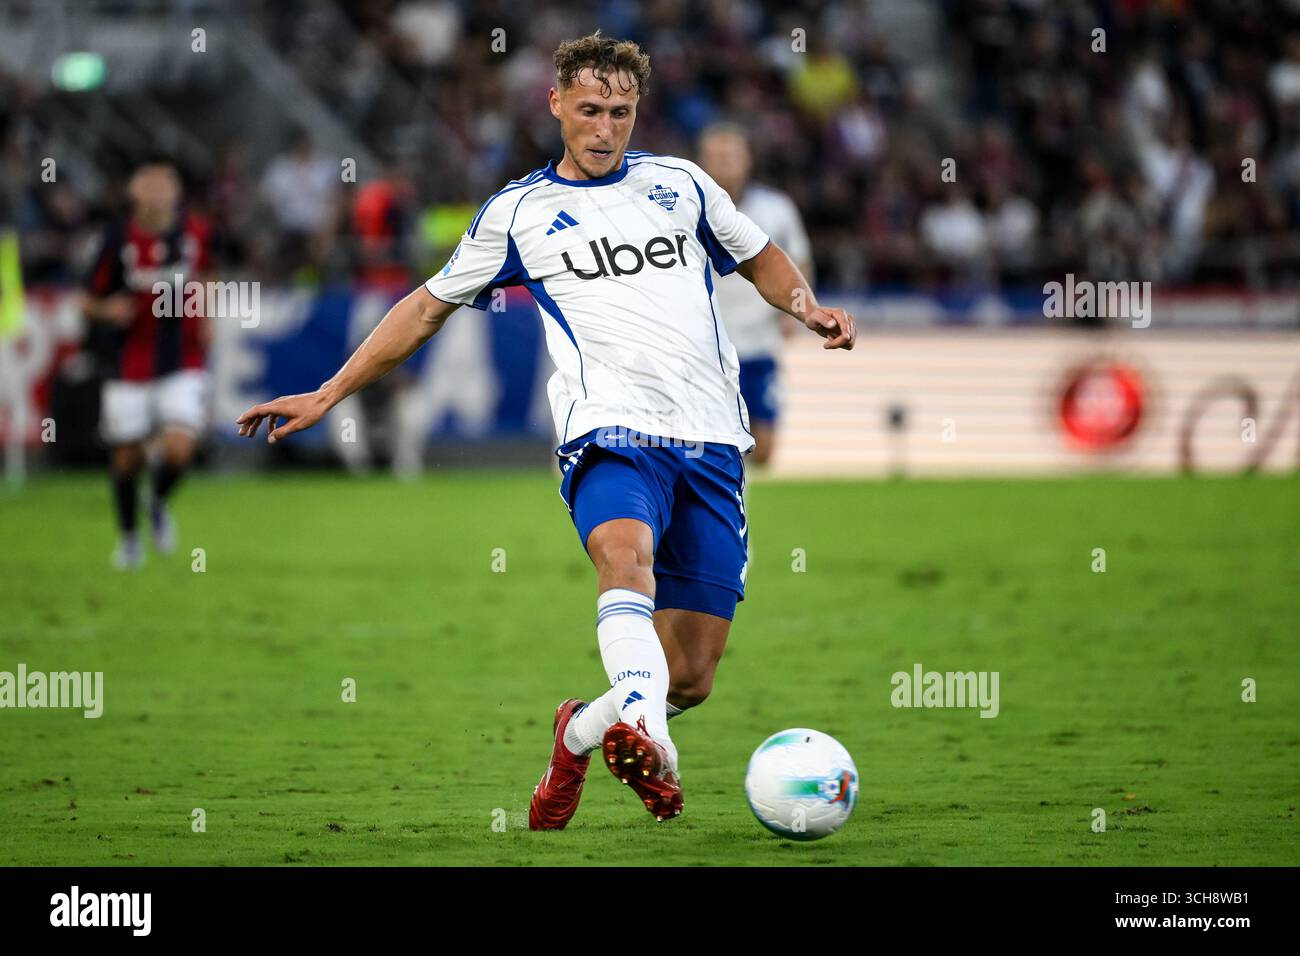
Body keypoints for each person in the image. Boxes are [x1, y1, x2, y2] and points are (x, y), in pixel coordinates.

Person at [235, 32, 855, 828]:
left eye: (622, 113)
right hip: (608, 431)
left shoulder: (683, 185)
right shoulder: (518, 213)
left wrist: (806, 308)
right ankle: (652, 744)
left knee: (691, 674)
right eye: (590, 111)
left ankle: (584, 731)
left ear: (639, 113)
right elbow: (425, 308)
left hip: (708, 438)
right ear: (556, 103)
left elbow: (762, 256)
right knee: (625, 562)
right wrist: (330, 391)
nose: (605, 129)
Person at [82, 159, 212, 569]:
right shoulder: (115, 238)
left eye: (165, 183)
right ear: (133, 191)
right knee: (126, 456)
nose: (157, 191)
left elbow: (210, 276)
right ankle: (129, 539)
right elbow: (85, 298)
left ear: (176, 192)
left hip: (182, 358)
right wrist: (107, 310)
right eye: (148, 183)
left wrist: (206, 312)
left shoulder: (197, 233)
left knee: (179, 447)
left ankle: (155, 502)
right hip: (129, 361)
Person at [699, 122, 813, 465]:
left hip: (759, 341)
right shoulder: (687, 206)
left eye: (731, 155)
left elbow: (800, 260)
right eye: (716, 157)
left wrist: (795, 310)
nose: (725, 164)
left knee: (764, 448)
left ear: (747, 159)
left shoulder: (776, 208)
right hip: (707, 344)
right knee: (710, 439)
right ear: (702, 161)